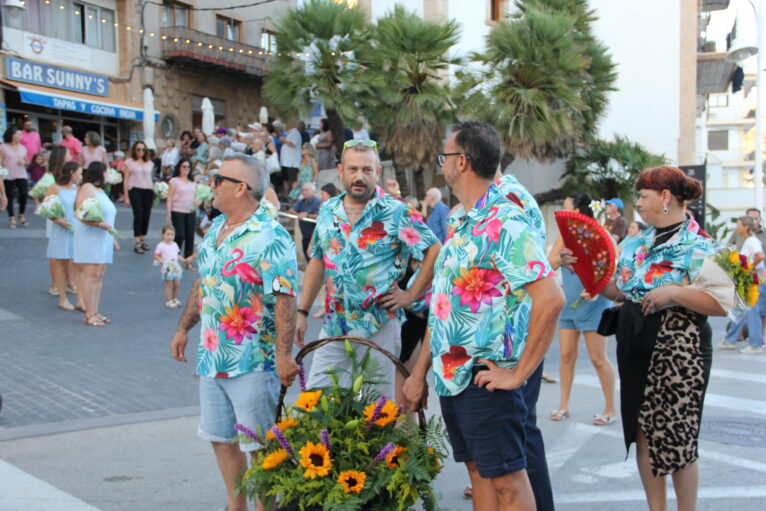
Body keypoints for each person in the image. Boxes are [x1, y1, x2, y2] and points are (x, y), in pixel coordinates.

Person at [403, 121, 565, 511]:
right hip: (452, 377)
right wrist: (420, 372)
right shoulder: (461, 221)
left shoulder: (504, 221)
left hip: (486, 377)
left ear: (462, 162)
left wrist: (519, 373)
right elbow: (443, 310)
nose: (441, 163)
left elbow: (551, 298)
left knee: (507, 482)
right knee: (479, 476)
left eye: (445, 156)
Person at [563, 165, 733, 511]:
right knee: (642, 433)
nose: (637, 202)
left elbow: (721, 302)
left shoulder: (699, 243)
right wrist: (580, 265)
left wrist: (674, 292)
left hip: (680, 352)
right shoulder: (637, 241)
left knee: (679, 439)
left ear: (666, 197)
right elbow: (618, 291)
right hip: (635, 344)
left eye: (643, 195)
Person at [170, 154, 299, 511]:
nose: (212, 185)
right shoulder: (216, 228)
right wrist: (184, 327)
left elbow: (285, 296)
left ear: (240, 188)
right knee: (220, 438)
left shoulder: (270, 236)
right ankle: (236, 505)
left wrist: (284, 355)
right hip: (212, 357)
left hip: (253, 362)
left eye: (218, 179)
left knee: (259, 446)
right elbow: (204, 280)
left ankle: (264, 507)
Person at [295, 139, 440, 399]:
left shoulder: (397, 212)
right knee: (317, 403)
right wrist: (302, 311)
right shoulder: (328, 209)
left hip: (379, 328)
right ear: (341, 171)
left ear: (378, 172)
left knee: (375, 413)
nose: (359, 176)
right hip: (334, 327)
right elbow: (317, 260)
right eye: (352, 169)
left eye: (367, 170)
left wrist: (411, 295)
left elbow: (435, 249)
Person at [547, 193, 616, 425]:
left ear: (577, 212)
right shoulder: (564, 237)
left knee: (598, 358)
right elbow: (549, 263)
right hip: (569, 302)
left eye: (567, 208)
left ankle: (609, 408)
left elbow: (611, 266)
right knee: (566, 356)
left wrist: (597, 288)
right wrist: (561, 259)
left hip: (594, 303)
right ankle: (563, 405)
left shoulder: (599, 233)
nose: (564, 213)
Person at [74, 161, 118, 327]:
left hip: (103, 237)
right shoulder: (87, 188)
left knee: (99, 275)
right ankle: (89, 313)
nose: (107, 175)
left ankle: (95, 310)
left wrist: (111, 237)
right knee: (91, 275)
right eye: (105, 172)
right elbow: (80, 212)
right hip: (91, 236)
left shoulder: (100, 190)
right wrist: (99, 225)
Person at [719, 215, 765, 353]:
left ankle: (755, 344)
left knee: (750, 310)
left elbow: (760, 256)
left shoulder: (752, 241)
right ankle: (730, 340)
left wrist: (748, 269)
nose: (737, 227)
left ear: (746, 227)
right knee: (742, 309)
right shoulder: (749, 241)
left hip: (755, 280)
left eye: (739, 224)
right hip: (752, 279)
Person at [46, 161, 82, 312]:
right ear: (71, 173)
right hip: (61, 230)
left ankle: (80, 298)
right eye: (79, 173)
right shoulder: (55, 188)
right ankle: (62, 298)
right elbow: (46, 209)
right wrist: (59, 221)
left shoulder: (78, 189)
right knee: (61, 264)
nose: (81, 176)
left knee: (76, 263)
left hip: (76, 230)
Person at [123, 141, 154, 254]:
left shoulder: (149, 163)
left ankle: (142, 239)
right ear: (134, 150)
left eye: (143, 149)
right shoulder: (129, 162)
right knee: (138, 216)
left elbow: (150, 177)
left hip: (148, 191)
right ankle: (137, 242)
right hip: (135, 189)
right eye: (138, 149)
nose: (141, 151)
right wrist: (126, 196)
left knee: (146, 215)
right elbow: (126, 179)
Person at [166, 158, 197, 268]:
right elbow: (169, 197)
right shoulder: (174, 181)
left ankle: (187, 262)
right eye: (184, 166)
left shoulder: (193, 182)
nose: (186, 169)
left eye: (188, 167)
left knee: (190, 236)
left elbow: (197, 197)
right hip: (177, 211)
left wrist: (199, 202)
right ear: (179, 168)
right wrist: (168, 212)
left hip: (191, 211)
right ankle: (174, 258)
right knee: (180, 235)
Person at [154, 224, 189, 308]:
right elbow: (156, 255)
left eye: (172, 234)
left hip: (175, 267)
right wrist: (160, 261)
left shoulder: (175, 245)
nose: (170, 236)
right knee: (169, 284)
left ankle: (174, 298)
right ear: (163, 235)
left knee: (177, 283)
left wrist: (184, 260)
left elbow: (177, 255)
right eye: (168, 234)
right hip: (167, 268)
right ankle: (168, 300)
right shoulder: (161, 245)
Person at [1, 126, 29, 228]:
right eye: (19, 134)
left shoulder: (23, 147)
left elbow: (27, 160)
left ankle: (21, 215)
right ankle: (11, 218)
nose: (21, 137)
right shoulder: (3, 147)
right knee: (10, 196)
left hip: (21, 174)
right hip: (8, 175)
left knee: (24, 194)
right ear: (12, 135)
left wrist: (24, 162)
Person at [288, 182, 321, 262]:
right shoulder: (301, 201)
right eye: (302, 190)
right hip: (305, 236)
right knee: (307, 258)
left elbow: (320, 215)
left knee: (314, 260)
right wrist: (298, 214)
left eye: (306, 190)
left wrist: (307, 215)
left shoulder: (317, 201)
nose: (304, 192)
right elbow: (290, 210)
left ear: (312, 191)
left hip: (314, 237)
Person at [279, 122, 303, 198]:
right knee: (285, 179)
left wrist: (284, 140)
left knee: (291, 180)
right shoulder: (289, 133)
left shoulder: (295, 133)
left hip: (292, 162)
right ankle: (286, 195)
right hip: (285, 162)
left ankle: (291, 196)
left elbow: (293, 144)